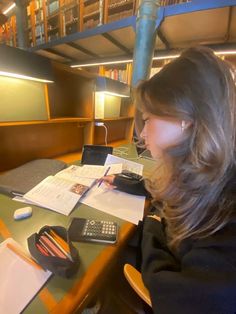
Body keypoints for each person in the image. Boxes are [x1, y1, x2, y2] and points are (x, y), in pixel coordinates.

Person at [102, 46, 236, 314]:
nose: (143, 135)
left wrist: (151, 225)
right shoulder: (213, 175)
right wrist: (133, 184)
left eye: (149, 119)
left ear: (184, 120)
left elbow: (171, 292)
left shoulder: (227, 224)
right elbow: (179, 193)